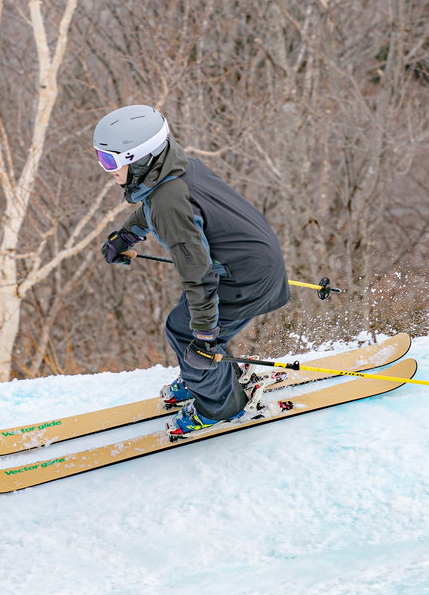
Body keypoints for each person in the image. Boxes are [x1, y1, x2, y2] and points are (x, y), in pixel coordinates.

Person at [93, 104, 291, 438]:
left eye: (110, 160)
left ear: (139, 159)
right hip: (258, 266)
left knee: (188, 336)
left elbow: (197, 275)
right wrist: (128, 234)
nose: (105, 169)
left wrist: (203, 338)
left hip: (243, 279)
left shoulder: (169, 200)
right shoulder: (181, 169)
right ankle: (210, 376)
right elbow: (152, 208)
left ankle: (222, 407)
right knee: (193, 333)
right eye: (100, 157)